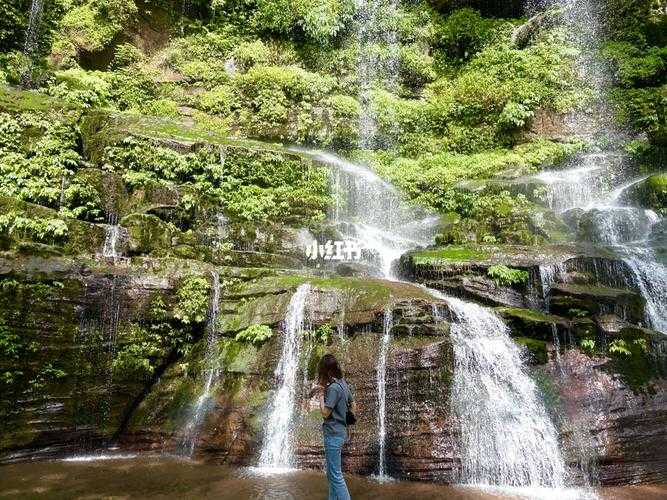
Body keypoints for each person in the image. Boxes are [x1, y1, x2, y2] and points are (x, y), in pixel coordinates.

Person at [317, 354, 354, 500]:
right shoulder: (342, 383)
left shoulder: (333, 388)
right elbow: (353, 404)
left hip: (333, 434)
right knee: (332, 474)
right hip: (340, 433)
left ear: (327, 371)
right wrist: (348, 425)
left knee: (336, 476)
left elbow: (325, 413)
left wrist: (320, 396)